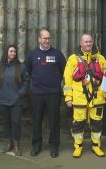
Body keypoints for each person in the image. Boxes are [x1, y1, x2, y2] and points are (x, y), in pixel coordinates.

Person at [63, 33, 106, 158]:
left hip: (97, 98)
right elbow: (67, 80)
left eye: (90, 41)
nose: (88, 44)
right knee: (78, 124)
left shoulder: (101, 58)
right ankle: (78, 147)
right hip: (79, 99)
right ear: (81, 43)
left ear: (92, 42)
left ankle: (96, 146)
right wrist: (68, 97)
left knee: (97, 123)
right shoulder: (72, 59)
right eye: (86, 42)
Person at [26, 27, 66, 158]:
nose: (47, 40)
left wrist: (55, 83)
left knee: (54, 120)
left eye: (49, 38)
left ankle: (54, 146)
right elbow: (28, 71)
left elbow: (64, 71)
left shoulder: (57, 54)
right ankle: (36, 145)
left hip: (53, 93)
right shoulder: (32, 55)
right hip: (37, 93)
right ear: (39, 39)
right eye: (44, 38)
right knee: (37, 120)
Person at [0, 44, 30, 156]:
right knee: (6, 122)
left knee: (16, 122)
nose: (13, 53)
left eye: (14, 51)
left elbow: (26, 81)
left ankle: (16, 144)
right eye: (10, 51)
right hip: (3, 99)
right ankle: (8, 142)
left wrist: (20, 93)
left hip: (16, 100)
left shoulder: (21, 67)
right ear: (6, 53)